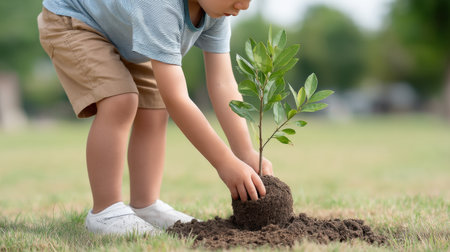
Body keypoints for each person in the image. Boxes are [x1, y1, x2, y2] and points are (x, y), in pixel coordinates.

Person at [37, 0, 273, 235]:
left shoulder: (217, 11)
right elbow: (177, 98)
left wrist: (244, 152)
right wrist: (224, 162)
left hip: (124, 33)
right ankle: (105, 211)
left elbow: (222, 83)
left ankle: (145, 205)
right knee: (120, 101)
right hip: (75, 19)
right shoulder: (160, 5)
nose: (244, 5)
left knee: (155, 104)